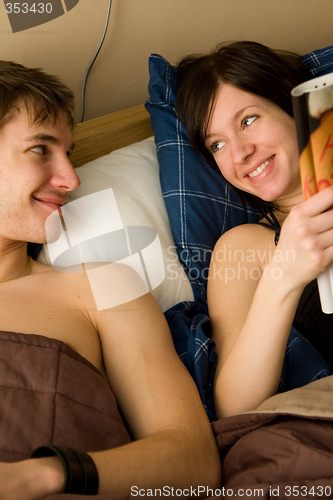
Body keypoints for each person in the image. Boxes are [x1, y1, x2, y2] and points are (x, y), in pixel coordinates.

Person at [0, 60, 221, 498]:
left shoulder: (97, 289)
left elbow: (193, 459)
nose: (71, 179)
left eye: (70, 153)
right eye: (41, 149)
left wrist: (40, 476)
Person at [175, 41, 333, 419]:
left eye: (248, 120)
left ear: (296, 107)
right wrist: (284, 276)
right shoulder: (244, 246)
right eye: (217, 144)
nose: (239, 153)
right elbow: (235, 407)